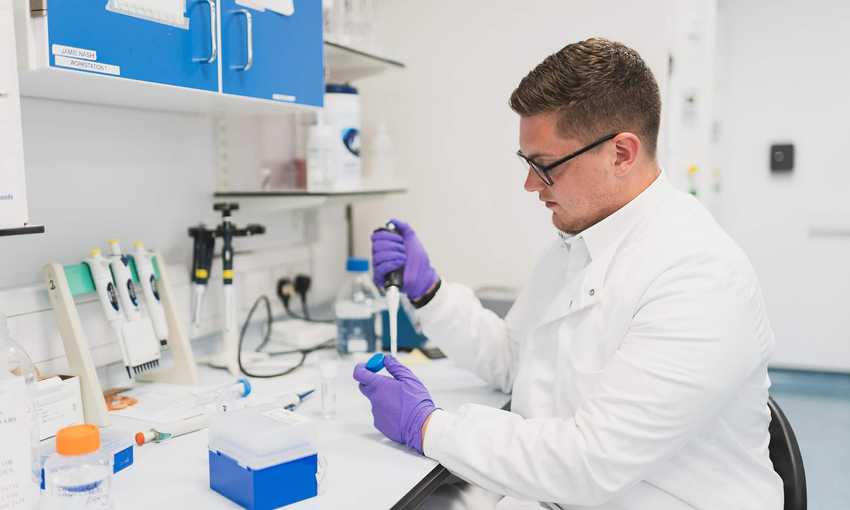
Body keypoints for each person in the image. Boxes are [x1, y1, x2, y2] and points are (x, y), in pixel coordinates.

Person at [353, 37, 784, 509]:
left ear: (621, 153)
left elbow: (590, 464)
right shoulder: (579, 242)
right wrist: (430, 294)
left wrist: (429, 426)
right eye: (527, 162)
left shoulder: (700, 276)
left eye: (544, 166)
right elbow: (517, 363)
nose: (530, 184)